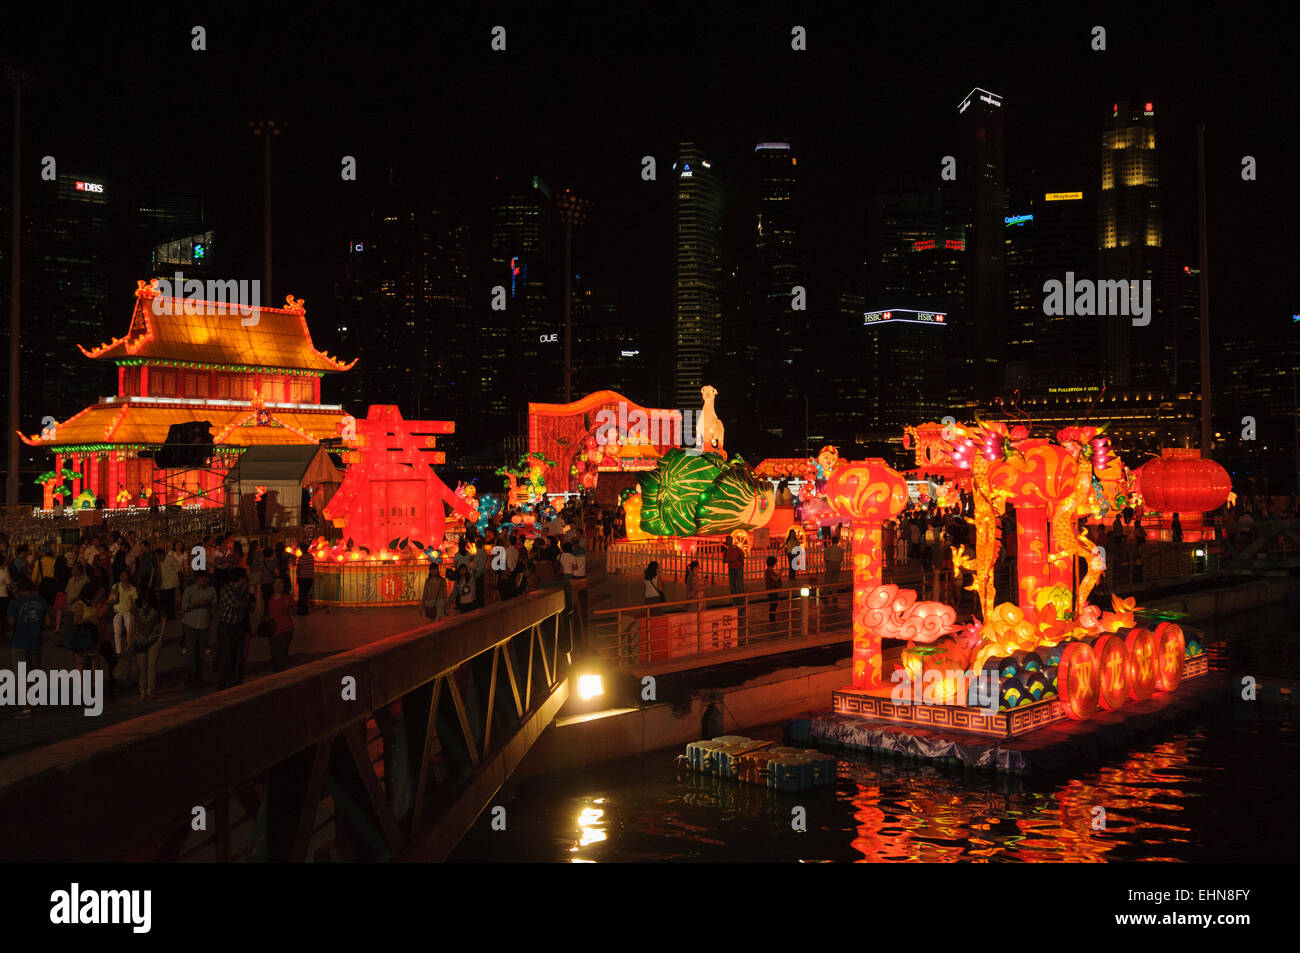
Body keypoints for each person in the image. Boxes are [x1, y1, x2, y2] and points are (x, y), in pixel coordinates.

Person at [8, 579, 47, 714]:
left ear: (19, 590)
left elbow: (11, 623)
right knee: (35, 672)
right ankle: (36, 700)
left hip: (19, 641)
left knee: (21, 674)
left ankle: (26, 705)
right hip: (35, 641)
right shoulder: (42, 602)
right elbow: (47, 621)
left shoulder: (15, 603)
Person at [215, 567, 251, 689]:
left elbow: (247, 603)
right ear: (240, 578)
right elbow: (238, 604)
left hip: (237, 625)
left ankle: (235, 680)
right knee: (227, 655)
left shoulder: (240, 590)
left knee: (238, 654)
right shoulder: (228, 589)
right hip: (227, 625)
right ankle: (223, 681)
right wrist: (244, 602)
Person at [180, 571, 217, 685]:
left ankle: (198, 674)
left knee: (201, 651)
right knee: (191, 650)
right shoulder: (189, 590)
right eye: (200, 581)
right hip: (190, 624)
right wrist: (196, 604)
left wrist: (210, 605)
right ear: (196, 581)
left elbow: (215, 605)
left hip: (204, 624)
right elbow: (184, 607)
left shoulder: (211, 590)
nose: (202, 583)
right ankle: (191, 674)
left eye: (204, 580)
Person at [127, 590, 164, 699]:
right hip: (139, 640)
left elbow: (163, 621)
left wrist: (161, 637)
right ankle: (142, 689)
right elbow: (131, 625)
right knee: (142, 667)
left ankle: (149, 689)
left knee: (151, 665)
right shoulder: (135, 609)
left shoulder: (157, 607)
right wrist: (129, 641)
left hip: (154, 639)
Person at [266, 577, 296, 672]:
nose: (279, 585)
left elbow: (295, 612)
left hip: (286, 629)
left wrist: (288, 608)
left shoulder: (287, 598)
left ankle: (281, 674)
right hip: (273, 629)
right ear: (273, 585)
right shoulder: (269, 598)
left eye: (281, 583)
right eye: (277, 583)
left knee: (282, 653)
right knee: (274, 654)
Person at [109, 570, 139, 656]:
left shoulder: (133, 589)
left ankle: (129, 647)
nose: (122, 578)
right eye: (121, 576)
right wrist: (114, 596)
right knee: (117, 631)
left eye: (124, 576)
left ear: (128, 577)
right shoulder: (116, 586)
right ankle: (118, 651)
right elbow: (110, 599)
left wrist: (132, 612)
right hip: (117, 611)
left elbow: (134, 603)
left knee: (129, 629)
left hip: (127, 611)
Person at [295, 543, 315, 615]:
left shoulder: (301, 558)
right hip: (310, 578)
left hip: (303, 578)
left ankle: (303, 610)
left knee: (302, 595)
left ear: (302, 549)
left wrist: (297, 578)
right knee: (305, 594)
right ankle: (304, 610)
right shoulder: (311, 556)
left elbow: (298, 569)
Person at [764, 555, 782, 624]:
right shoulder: (769, 571)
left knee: (773, 605)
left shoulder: (769, 571)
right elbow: (775, 579)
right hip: (772, 590)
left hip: (772, 590)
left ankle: (772, 620)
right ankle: (772, 621)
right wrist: (780, 573)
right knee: (773, 606)